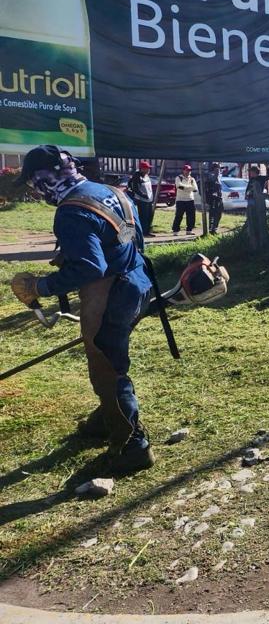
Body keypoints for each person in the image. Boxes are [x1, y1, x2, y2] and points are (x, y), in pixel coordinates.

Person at [10, 146, 155, 475]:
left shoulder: (71, 212)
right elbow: (130, 235)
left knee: (107, 368)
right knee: (112, 355)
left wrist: (40, 287)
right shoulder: (109, 191)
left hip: (110, 295)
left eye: (34, 183)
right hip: (137, 282)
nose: (35, 191)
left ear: (44, 179)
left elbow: (91, 267)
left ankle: (132, 445)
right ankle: (106, 418)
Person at [127, 160, 156, 237]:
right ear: (142, 169)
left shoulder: (147, 176)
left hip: (149, 200)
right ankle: (143, 232)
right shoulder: (137, 176)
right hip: (142, 200)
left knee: (150, 216)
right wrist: (143, 195)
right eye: (147, 168)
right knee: (144, 217)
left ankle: (148, 231)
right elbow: (135, 189)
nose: (149, 170)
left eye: (149, 168)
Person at [172, 164, 197, 235]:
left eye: (189, 170)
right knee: (179, 215)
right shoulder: (179, 178)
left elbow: (195, 189)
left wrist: (185, 188)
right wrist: (189, 188)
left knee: (191, 216)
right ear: (183, 170)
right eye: (186, 170)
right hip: (180, 200)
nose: (188, 172)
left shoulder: (192, 179)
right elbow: (179, 186)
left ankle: (189, 230)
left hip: (190, 199)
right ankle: (175, 230)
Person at [204, 162, 224, 234]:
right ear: (215, 168)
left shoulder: (218, 175)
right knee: (213, 213)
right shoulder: (210, 175)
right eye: (219, 168)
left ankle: (215, 228)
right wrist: (216, 173)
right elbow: (211, 183)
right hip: (213, 197)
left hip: (219, 197)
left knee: (219, 212)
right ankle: (212, 229)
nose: (220, 170)